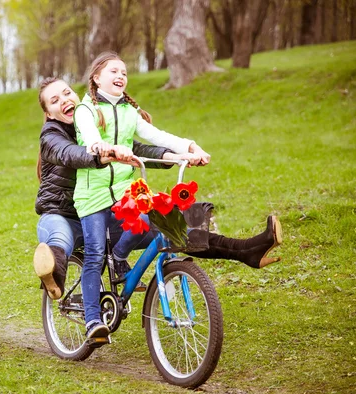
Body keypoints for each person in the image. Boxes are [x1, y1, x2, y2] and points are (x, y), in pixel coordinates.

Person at [33, 77, 282, 343]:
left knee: (175, 231)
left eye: (67, 93)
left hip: (106, 217)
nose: (64, 101)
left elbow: (136, 148)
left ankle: (247, 250)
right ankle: (53, 277)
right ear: (49, 113)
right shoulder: (51, 136)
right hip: (62, 216)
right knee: (60, 241)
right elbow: (69, 153)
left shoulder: (95, 120)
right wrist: (100, 154)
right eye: (55, 100)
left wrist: (176, 157)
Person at [73, 52, 214, 340]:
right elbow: (90, 139)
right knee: (94, 254)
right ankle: (92, 321)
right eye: (114, 71)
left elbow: (157, 136)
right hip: (92, 197)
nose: (121, 76)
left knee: (151, 219)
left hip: (123, 194)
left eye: (124, 72)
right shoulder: (86, 110)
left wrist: (190, 147)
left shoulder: (128, 112)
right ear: (97, 78)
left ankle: (120, 256)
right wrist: (108, 149)